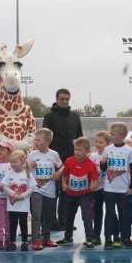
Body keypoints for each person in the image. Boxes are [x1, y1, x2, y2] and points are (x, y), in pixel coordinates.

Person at [42, 89, 83, 229]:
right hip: (54, 161)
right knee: (53, 192)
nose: (64, 102)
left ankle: (65, 221)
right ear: (57, 99)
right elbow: (45, 139)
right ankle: (51, 221)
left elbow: (79, 138)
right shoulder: (49, 117)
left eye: (67, 99)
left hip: (71, 160)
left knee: (68, 191)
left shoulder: (75, 117)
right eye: (62, 99)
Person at [101, 122, 132, 249]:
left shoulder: (129, 151)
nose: (111, 136)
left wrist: (131, 186)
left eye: (113, 134)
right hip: (109, 188)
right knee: (110, 213)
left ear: (122, 135)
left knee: (124, 214)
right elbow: (103, 168)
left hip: (123, 188)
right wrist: (103, 163)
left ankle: (126, 238)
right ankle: (108, 238)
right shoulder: (107, 149)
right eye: (110, 133)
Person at [58, 137, 99, 248]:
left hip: (85, 194)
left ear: (87, 151)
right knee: (69, 215)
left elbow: (95, 180)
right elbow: (65, 174)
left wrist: (93, 186)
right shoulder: (69, 161)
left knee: (86, 215)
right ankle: (68, 237)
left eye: (80, 150)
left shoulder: (90, 164)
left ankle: (89, 238)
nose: (77, 152)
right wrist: (64, 184)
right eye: (75, 149)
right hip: (71, 194)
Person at [27, 128, 63, 249]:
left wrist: (58, 173)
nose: (35, 142)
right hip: (36, 189)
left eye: (38, 140)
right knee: (36, 214)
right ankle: (36, 239)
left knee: (48, 215)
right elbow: (24, 168)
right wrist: (29, 166)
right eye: (35, 140)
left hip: (50, 189)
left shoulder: (53, 154)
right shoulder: (32, 154)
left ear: (47, 141)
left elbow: (62, 166)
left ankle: (46, 237)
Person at [1, 150, 36, 251]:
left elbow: (32, 188)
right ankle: (12, 242)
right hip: (12, 206)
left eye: (15, 162)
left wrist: (22, 196)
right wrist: (14, 194)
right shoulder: (9, 173)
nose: (13, 164)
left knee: (23, 224)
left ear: (23, 161)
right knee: (12, 224)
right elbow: (4, 186)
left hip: (23, 206)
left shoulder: (27, 174)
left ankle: (24, 242)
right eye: (11, 162)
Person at [0, 139, 14, 250]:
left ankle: (9, 239)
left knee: (9, 221)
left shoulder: (13, 165)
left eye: (2, 149)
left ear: (9, 151)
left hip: (10, 198)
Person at [88, 131, 109, 247]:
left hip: (108, 188)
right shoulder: (92, 157)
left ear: (108, 143)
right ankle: (96, 236)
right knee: (97, 213)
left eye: (101, 142)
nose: (98, 144)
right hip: (96, 189)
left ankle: (111, 235)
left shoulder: (110, 156)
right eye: (96, 141)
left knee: (111, 213)